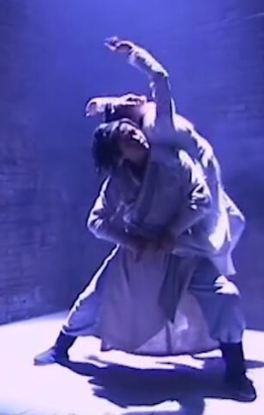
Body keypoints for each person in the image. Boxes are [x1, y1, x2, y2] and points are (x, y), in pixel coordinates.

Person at [33, 113, 256, 400]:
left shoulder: (175, 161)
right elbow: (96, 221)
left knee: (225, 296)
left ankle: (236, 372)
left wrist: (172, 232)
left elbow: (201, 198)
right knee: (94, 298)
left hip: (182, 251)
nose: (137, 136)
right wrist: (131, 241)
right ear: (119, 155)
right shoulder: (118, 181)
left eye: (134, 131)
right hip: (137, 256)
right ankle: (60, 347)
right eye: (127, 139)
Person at [86, 37, 246, 278]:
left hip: (192, 166)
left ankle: (190, 257)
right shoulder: (156, 124)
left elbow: (126, 106)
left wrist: (102, 104)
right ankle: (184, 262)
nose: (135, 98)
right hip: (196, 170)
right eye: (127, 102)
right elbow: (159, 77)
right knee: (210, 237)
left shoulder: (143, 126)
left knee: (234, 222)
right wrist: (133, 53)